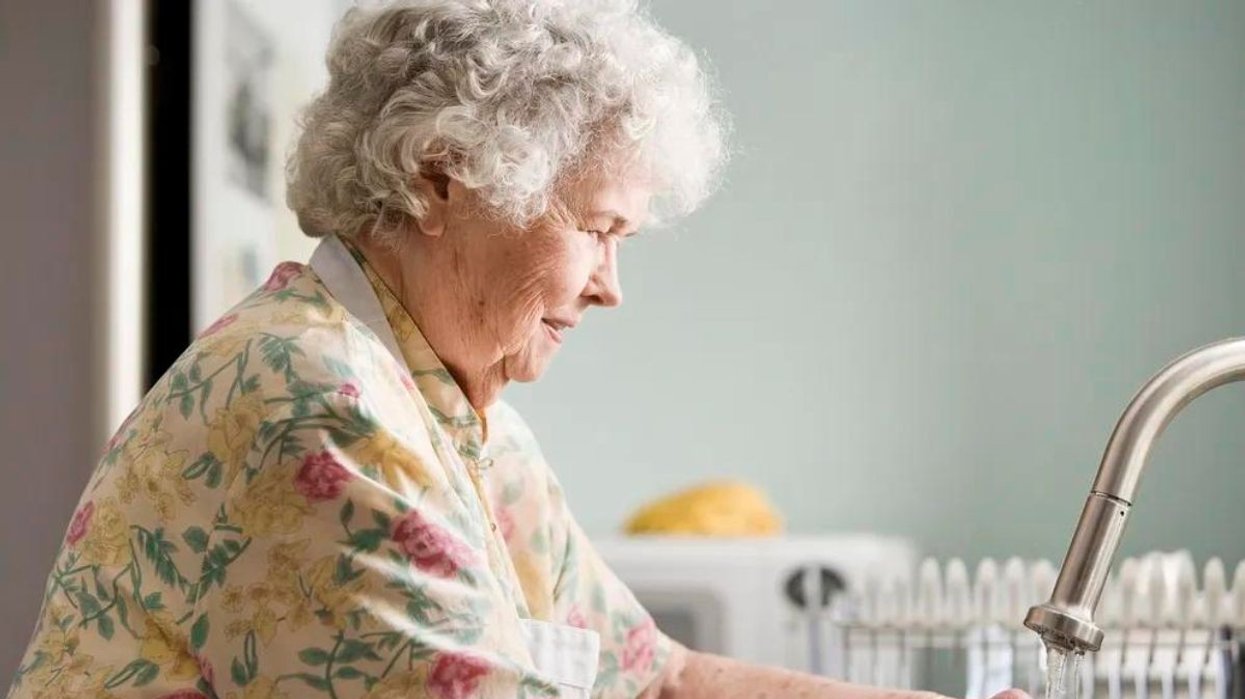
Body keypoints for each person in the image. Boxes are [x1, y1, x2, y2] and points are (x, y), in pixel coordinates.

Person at [8, 2, 1031, 698]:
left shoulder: (452, 411)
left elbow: (655, 677)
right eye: (597, 227)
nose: (610, 286)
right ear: (446, 177)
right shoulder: (316, 399)